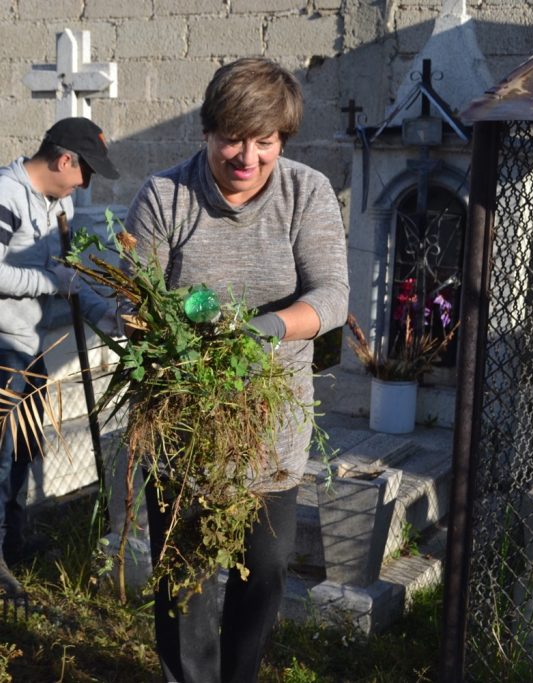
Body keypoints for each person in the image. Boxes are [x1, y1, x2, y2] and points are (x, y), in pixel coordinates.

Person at [124, 58, 349, 682]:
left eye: (264, 141)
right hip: (183, 429)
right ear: (207, 131)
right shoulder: (166, 197)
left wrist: (268, 328)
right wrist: (173, 333)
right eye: (232, 139)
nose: (247, 157)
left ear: (283, 139)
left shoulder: (306, 193)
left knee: (266, 571)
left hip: (270, 431)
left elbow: (332, 296)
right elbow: (134, 303)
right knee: (186, 581)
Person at [0, 117, 120, 594]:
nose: (86, 184)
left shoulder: (58, 202)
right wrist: (49, 282)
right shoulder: (1, 196)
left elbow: (67, 275)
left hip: (27, 341)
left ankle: (12, 538)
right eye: (86, 172)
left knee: (27, 444)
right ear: (65, 160)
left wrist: (104, 315)